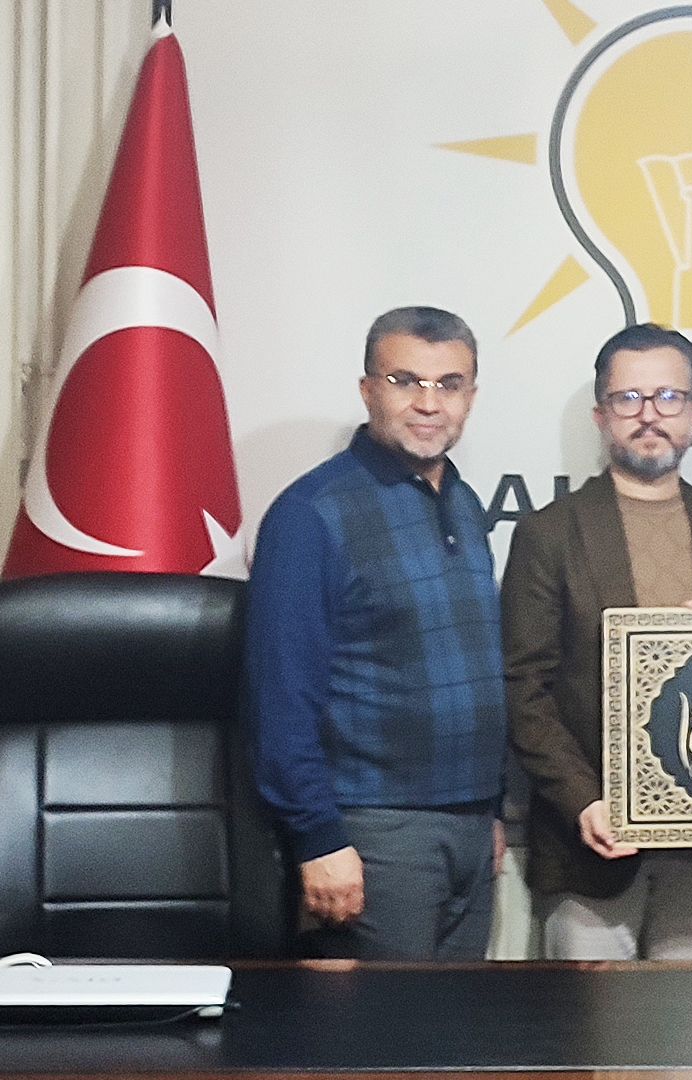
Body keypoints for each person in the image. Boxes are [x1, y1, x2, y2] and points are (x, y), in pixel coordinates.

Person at [501, 323, 692, 960]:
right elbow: (525, 689)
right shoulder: (549, 533)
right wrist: (584, 801)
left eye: (668, 397)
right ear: (601, 415)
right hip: (589, 843)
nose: (649, 415)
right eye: (629, 398)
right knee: (591, 1025)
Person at [248, 306, 506, 960]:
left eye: (449, 384)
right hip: (373, 834)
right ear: (367, 390)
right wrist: (319, 838)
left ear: (471, 398)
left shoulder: (464, 503)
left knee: (464, 1028)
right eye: (405, 381)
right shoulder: (311, 513)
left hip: (472, 827)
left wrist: (490, 811)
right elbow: (281, 694)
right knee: (383, 1026)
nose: (429, 403)